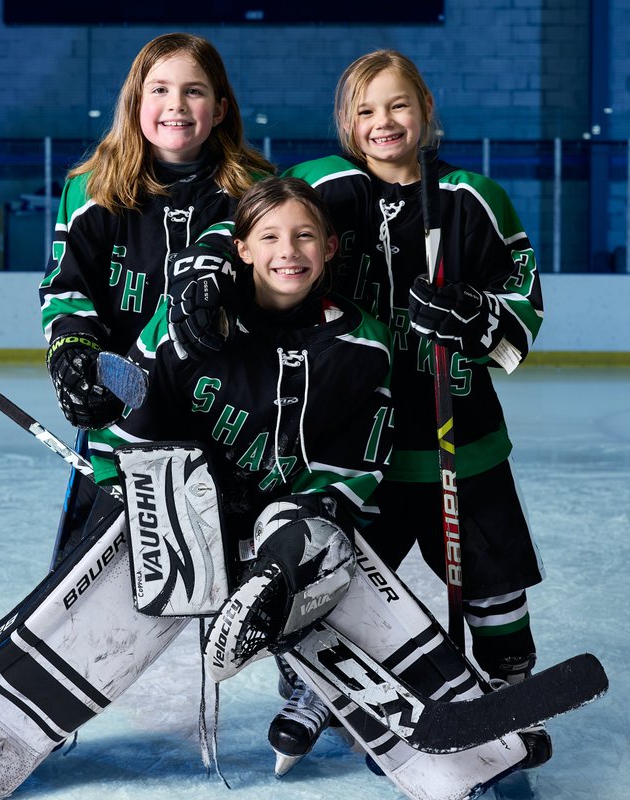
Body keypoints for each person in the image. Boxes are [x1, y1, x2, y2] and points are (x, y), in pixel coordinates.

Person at [173, 50, 549, 768]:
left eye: (399, 105)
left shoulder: (475, 196)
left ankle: (509, 691)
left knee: (494, 582)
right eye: (366, 109)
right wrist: (208, 273)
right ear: (346, 120)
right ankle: (316, 691)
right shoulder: (321, 184)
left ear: (427, 112)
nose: (384, 121)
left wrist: (477, 313)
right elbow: (246, 224)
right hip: (345, 437)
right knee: (334, 577)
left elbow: (523, 294)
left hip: (457, 437)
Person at [87, 176, 394, 678]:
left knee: (316, 535)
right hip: (180, 501)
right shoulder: (189, 319)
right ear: (242, 248)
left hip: (282, 509)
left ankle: (282, 624)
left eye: (305, 236)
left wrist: (309, 515)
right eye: (269, 237)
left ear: (330, 246)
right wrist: (131, 484)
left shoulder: (363, 346)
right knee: (110, 592)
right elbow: (135, 415)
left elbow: (354, 460)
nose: (288, 251)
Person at [38, 32, 273, 563]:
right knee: (91, 586)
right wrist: (72, 353)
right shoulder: (93, 188)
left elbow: (279, 297)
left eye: (194, 91)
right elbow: (67, 286)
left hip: (229, 414)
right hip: (125, 414)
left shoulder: (255, 191)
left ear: (220, 109)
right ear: (135, 104)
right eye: (159, 90)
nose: (176, 105)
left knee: (238, 586)